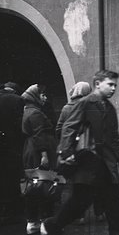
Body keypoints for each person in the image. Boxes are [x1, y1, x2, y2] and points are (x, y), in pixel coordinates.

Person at [41, 70, 119, 235]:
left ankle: (116, 232)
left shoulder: (109, 107)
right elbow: (69, 127)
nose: (113, 88)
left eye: (115, 85)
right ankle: (52, 225)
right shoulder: (85, 103)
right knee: (81, 200)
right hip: (88, 160)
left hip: (105, 162)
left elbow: (112, 136)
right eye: (110, 84)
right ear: (97, 84)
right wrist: (65, 153)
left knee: (112, 200)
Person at [55, 82, 105, 224]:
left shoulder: (66, 108)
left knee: (77, 184)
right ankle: (99, 212)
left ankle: (79, 215)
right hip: (91, 150)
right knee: (95, 182)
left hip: (73, 151)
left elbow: (59, 129)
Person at [21, 84, 57, 234]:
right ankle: (43, 221)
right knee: (43, 185)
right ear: (35, 96)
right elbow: (39, 135)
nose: (45, 97)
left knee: (33, 185)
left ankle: (33, 221)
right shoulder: (35, 113)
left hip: (30, 151)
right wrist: (44, 155)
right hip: (38, 153)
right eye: (42, 95)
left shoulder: (27, 111)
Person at [0, 82, 25, 225]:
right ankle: (12, 208)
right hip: (11, 144)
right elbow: (19, 125)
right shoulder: (16, 100)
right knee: (11, 175)